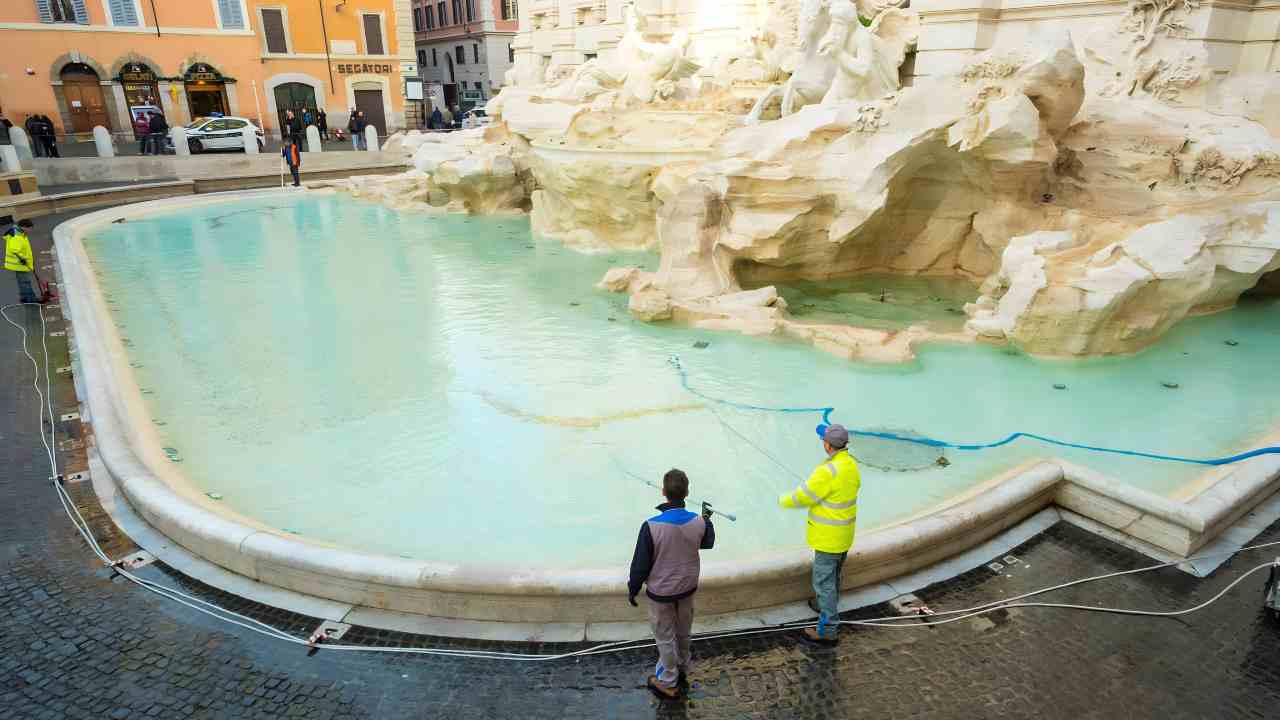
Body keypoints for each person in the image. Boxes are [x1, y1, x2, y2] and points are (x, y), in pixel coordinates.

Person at [628, 469, 715, 699]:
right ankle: (683, 667)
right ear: (687, 492)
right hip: (687, 588)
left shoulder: (651, 526)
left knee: (665, 636)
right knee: (684, 632)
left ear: (664, 492)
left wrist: (633, 589)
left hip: (661, 593)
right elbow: (707, 543)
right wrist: (707, 520)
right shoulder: (698, 522)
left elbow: (640, 565)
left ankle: (668, 680)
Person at [778, 423, 862, 645]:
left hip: (828, 538)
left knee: (823, 582)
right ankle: (826, 603)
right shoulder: (851, 465)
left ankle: (827, 629)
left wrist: (782, 499)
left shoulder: (827, 471)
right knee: (833, 577)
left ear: (827, 445)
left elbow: (803, 497)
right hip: (844, 535)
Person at [3, 216, 39, 304]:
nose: (30, 230)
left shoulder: (20, 233)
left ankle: (24, 297)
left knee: (22, 281)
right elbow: (14, 249)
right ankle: (31, 299)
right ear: (24, 227)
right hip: (19, 263)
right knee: (25, 282)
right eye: (29, 229)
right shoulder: (17, 235)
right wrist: (23, 259)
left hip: (18, 263)